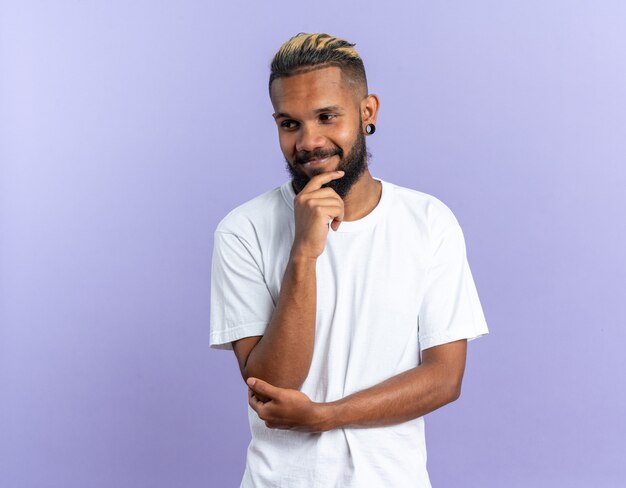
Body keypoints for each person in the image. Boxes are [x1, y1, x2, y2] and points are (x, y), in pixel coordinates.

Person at [209, 32, 489, 487]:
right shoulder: (243, 230)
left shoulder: (429, 221)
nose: (309, 141)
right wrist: (303, 253)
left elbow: (444, 378)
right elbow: (272, 385)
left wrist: (326, 416)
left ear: (367, 112)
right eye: (289, 123)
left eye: (326, 116)